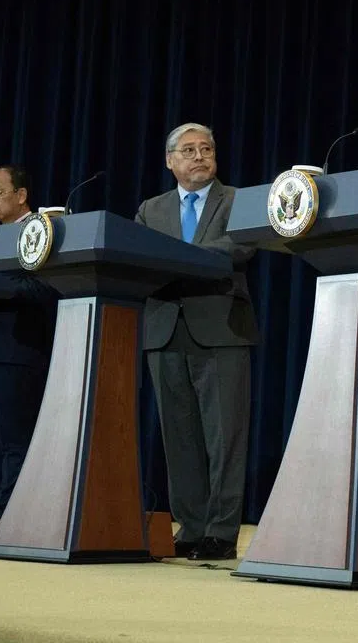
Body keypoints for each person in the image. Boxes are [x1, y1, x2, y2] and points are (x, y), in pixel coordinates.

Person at [135, 123, 258, 561]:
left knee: (225, 437)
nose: (199, 156)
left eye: (206, 148)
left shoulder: (238, 200)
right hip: (164, 328)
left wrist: (177, 258)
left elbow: (241, 247)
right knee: (179, 436)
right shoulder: (151, 209)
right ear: (170, 161)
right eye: (188, 150)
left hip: (221, 326)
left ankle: (221, 532)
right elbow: (137, 257)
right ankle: (190, 526)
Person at [0, 165, 56, 542]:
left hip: (15, 351)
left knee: (12, 441)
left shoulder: (42, 231)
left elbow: (42, 290)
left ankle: (9, 513)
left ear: (21, 195)